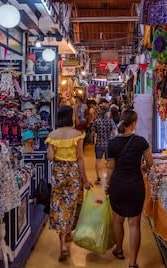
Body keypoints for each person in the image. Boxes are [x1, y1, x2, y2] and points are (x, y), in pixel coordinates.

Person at [106, 110, 154, 268]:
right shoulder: (141, 142)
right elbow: (150, 162)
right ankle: (133, 263)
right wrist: (143, 167)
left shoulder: (112, 143)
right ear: (133, 123)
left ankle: (119, 250)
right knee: (134, 224)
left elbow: (111, 168)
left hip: (117, 185)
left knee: (118, 221)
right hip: (135, 185)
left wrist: (107, 185)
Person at [45, 106, 92, 261]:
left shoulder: (52, 135)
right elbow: (80, 158)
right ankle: (68, 234)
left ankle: (62, 243)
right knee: (72, 205)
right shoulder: (77, 134)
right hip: (73, 173)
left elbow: (50, 158)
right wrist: (85, 179)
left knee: (59, 206)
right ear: (70, 117)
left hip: (58, 173)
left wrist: (53, 148)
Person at [92, 108, 117, 184]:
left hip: (99, 144)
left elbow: (93, 133)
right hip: (109, 144)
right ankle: (109, 178)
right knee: (109, 162)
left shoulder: (96, 121)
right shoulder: (110, 121)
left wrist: (93, 141)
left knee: (98, 160)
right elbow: (114, 133)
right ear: (106, 113)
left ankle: (98, 178)